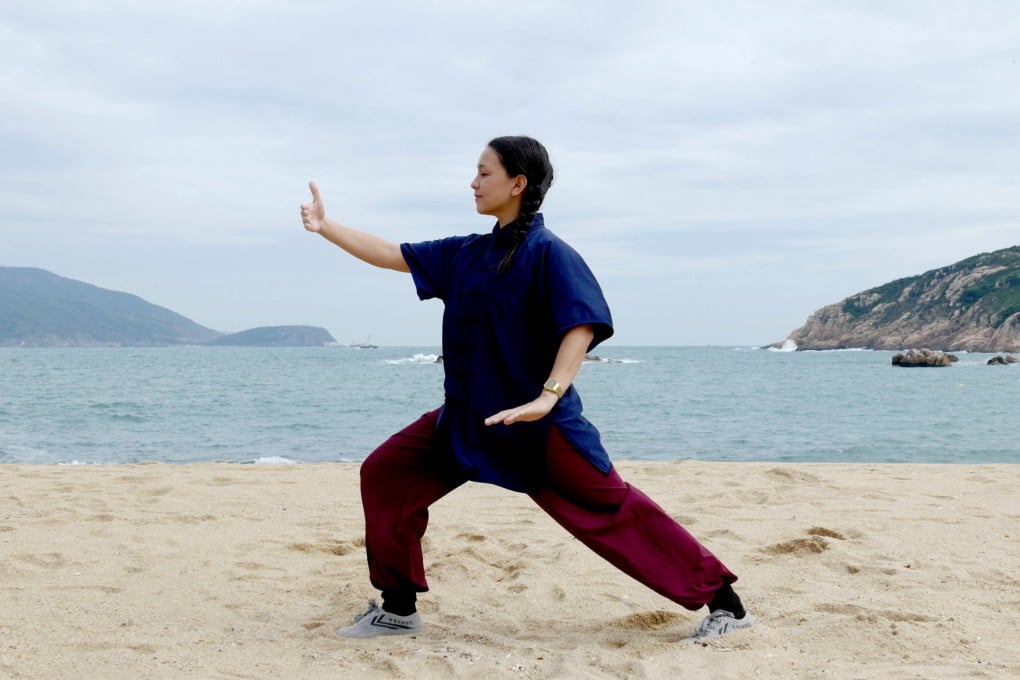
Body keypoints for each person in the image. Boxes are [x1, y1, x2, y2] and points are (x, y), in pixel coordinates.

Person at [299, 135, 753, 642]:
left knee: (612, 511)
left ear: (518, 183)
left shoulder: (550, 254)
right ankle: (398, 608)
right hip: (467, 421)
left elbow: (579, 327)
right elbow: (390, 253)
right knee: (387, 474)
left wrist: (547, 397)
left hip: (539, 430)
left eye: (484, 172)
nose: (473, 182)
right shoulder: (466, 253)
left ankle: (726, 605)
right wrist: (325, 227)